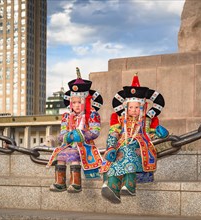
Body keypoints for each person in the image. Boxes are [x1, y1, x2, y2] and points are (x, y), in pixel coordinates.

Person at [100, 73, 168, 203]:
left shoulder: (148, 120)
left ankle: (128, 185)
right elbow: (114, 133)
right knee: (115, 156)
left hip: (141, 146)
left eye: (137, 107)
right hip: (122, 144)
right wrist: (111, 147)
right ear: (126, 107)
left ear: (143, 107)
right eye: (131, 107)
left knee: (128, 153)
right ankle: (113, 188)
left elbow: (152, 135)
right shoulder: (119, 118)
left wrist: (161, 133)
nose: (134, 110)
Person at [46, 67, 103, 193]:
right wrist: (68, 136)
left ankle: (76, 183)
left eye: (80, 102)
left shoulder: (92, 115)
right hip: (69, 144)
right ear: (70, 103)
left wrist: (82, 134)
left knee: (73, 156)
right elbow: (61, 135)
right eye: (74, 102)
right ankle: (60, 182)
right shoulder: (66, 116)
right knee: (60, 156)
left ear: (86, 102)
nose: (77, 105)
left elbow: (95, 132)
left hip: (85, 145)